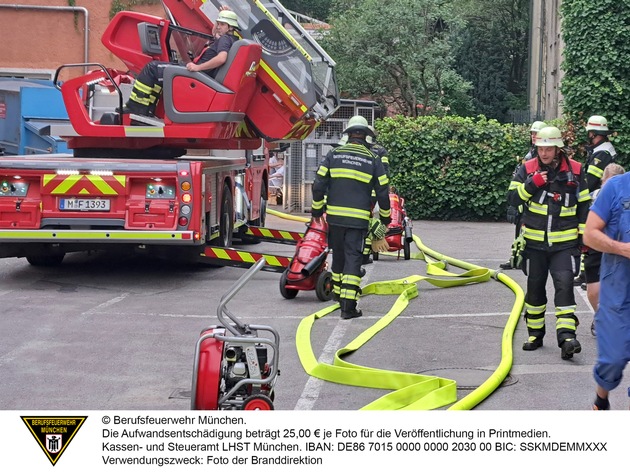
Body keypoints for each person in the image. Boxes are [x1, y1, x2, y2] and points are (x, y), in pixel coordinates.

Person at [507, 126, 591, 359]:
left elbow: (584, 204)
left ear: (558, 148)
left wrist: (583, 236)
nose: (544, 153)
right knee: (535, 289)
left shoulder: (575, 170)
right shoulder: (527, 169)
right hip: (534, 244)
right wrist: (531, 185)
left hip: (564, 244)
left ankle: (567, 337)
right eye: (541, 148)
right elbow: (513, 198)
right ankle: (535, 334)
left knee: (564, 286)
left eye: (548, 149)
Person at [311, 115, 391, 319]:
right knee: (353, 260)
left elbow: (318, 184)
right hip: (358, 221)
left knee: (338, 256)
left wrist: (317, 211)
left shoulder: (334, 154)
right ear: (366, 136)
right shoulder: (373, 159)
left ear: (348, 135)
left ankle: (338, 296)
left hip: (335, 218)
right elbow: (382, 191)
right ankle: (348, 307)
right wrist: (385, 219)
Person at [123, 9, 240, 117]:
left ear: (230, 27)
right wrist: (221, 16)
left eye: (222, 24)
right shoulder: (231, 39)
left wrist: (197, 67)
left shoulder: (224, 39)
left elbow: (221, 58)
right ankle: (147, 108)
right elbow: (215, 32)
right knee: (158, 76)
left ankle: (136, 106)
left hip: (195, 75)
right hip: (201, 75)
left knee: (151, 68)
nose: (218, 26)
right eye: (218, 23)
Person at [583, 170, 630, 410]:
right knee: (612, 358)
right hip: (618, 292)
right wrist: (621, 248)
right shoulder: (616, 187)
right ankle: (601, 399)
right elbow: (589, 234)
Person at [574, 115, 617, 286]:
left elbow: (590, 181)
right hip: (596, 201)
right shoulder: (600, 151)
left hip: (596, 201)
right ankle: (585, 274)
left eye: (590, 133)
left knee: (591, 237)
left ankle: (589, 275)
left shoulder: (602, 153)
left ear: (594, 133)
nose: (588, 136)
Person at [582, 163, 625, 336]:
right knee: (593, 292)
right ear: (602, 182)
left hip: (618, 247)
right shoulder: (593, 197)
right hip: (595, 246)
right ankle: (599, 316)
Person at [500, 120, 546, 270]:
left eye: (536, 133)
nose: (533, 136)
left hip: (533, 204)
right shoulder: (530, 153)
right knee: (519, 234)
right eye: (532, 133)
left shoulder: (541, 156)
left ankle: (523, 260)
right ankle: (516, 259)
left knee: (529, 235)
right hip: (522, 200)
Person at [362, 125, 390, 264]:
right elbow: (384, 173)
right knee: (369, 221)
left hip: (359, 192)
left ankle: (363, 254)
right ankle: (366, 255)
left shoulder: (359, 150)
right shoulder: (380, 151)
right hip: (374, 194)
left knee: (363, 223)